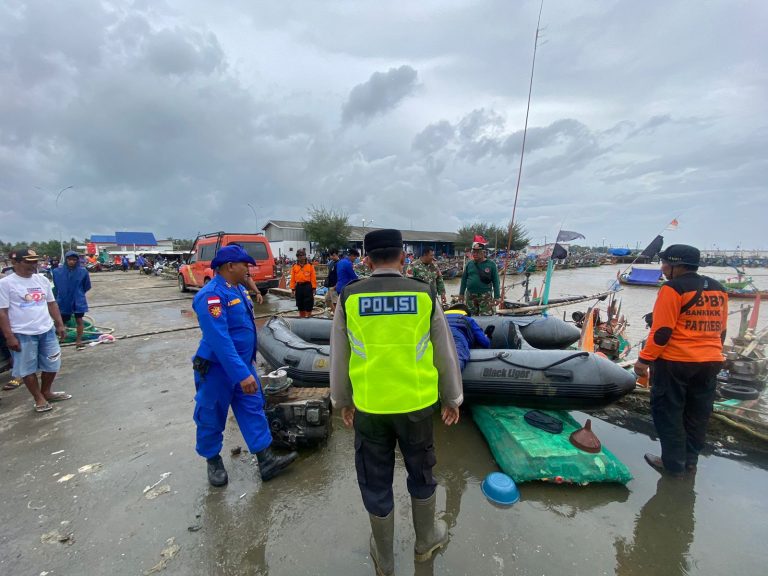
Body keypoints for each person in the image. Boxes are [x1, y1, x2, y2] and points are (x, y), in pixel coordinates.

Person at [330, 229, 463, 575]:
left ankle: (386, 561)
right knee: (421, 472)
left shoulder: (349, 296)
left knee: (375, 480)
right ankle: (425, 543)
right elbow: (444, 352)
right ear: (403, 257)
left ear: (367, 260)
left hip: (370, 408)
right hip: (416, 406)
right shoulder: (423, 293)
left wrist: (343, 400)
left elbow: (339, 356)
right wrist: (452, 398)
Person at [192, 245, 297, 487]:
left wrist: (247, 367)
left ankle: (265, 459)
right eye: (245, 265)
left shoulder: (237, 289)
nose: (249, 269)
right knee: (211, 414)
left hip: (242, 365)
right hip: (218, 369)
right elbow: (220, 339)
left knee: (253, 408)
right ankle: (213, 460)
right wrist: (241, 373)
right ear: (230, 266)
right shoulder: (212, 297)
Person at [633, 244, 728, 477]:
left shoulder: (673, 289)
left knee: (668, 411)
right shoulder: (719, 289)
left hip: (676, 362)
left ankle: (673, 464)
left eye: (665, 263)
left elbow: (662, 331)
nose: (663, 267)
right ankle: (690, 461)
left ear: (677, 265)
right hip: (711, 361)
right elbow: (722, 330)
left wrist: (644, 360)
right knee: (697, 413)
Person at [0, 248, 69, 412]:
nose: (34, 265)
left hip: (46, 330)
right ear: (15, 263)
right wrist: (9, 337)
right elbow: (2, 312)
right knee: (27, 368)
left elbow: (51, 303)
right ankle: (38, 398)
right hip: (23, 333)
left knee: (53, 364)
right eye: (28, 262)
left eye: (35, 261)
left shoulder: (42, 280)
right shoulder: (6, 284)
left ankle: (47, 391)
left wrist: (59, 324)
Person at [52, 250, 92, 349]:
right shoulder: (57, 272)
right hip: (63, 300)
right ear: (66, 260)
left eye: (74, 260)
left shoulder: (83, 271)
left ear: (77, 260)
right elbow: (56, 286)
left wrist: (79, 293)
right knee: (60, 321)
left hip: (78, 300)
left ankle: (78, 340)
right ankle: (59, 338)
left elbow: (87, 286)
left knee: (79, 320)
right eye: (69, 259)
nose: (72, 262)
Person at [444, 303, 491, 370]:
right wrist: (487, 338)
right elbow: (484, 342)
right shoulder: (468, 319)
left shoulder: (438, 318)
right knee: (458, 361)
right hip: (456, 337)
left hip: (437, 335)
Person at [458, 242, 500, 316]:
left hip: (485, 296)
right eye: (473, 252)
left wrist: (497, 296)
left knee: (486, 317)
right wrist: (461, 294)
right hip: (470, 296)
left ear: (483, 252)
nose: (475, 254)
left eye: (477, 252)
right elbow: (464, 280)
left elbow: (496, 281)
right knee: (471, 317)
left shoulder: (491, 264)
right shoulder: (469, 264)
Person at [290, 248, 317, 318]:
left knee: (309, 303)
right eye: (299, 256)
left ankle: (308, 317)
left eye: (302, 255)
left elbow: (313, 277)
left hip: (307, 286)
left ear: (305, 256)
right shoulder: (294, 266)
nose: (301, 257)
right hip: (299, 287)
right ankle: (302, 318)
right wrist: (292, 289)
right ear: (297, 257)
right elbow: (292, 279)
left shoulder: (310, 265)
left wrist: (314, 288)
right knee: (300, 304)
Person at [323, 249, 340, 315]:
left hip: (335, 286)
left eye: (334, 255)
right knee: (327, 300)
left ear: (337, 255)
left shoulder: (339, 263)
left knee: (335, 302)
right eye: (331, 256)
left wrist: (336, 286)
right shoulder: (331, 263)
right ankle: (335, 313)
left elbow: (340, 276)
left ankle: (337, 316)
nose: (332, 257)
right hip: (330, 286)